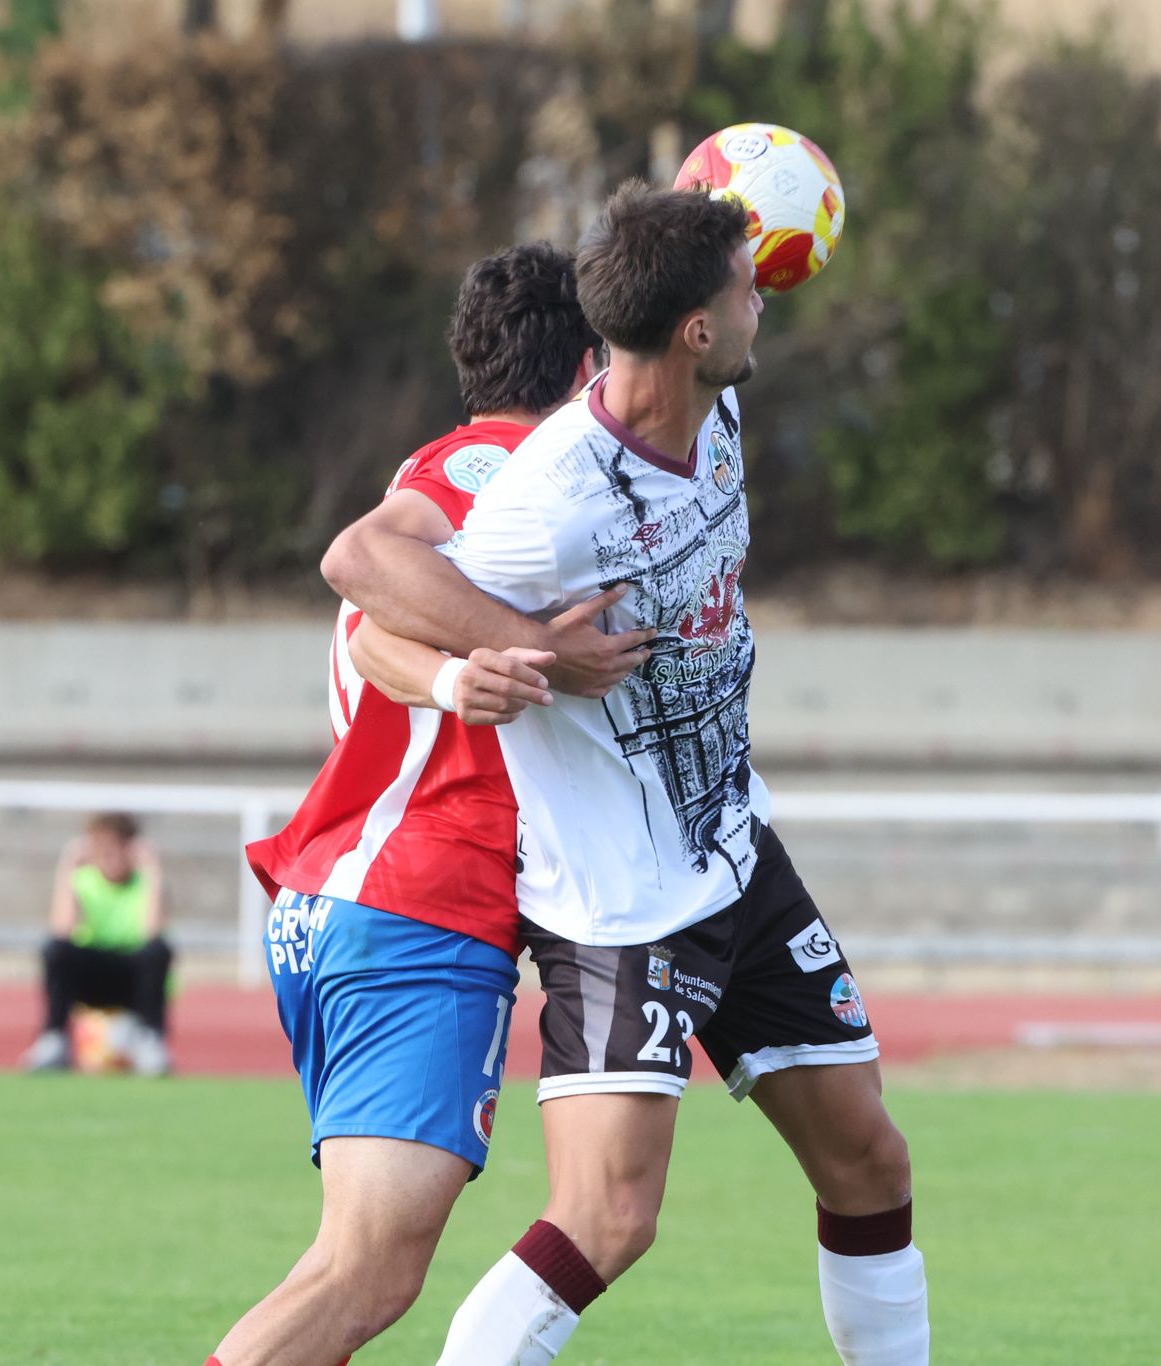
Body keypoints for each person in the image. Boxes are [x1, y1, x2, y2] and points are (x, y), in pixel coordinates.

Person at [327, 182, 930, 1365]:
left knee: (867, 1157)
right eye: (746, 291)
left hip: (734, 856)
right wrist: (507, 657)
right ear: (696, 330)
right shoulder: (547, 502)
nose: (766, 304)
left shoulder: (717, 410)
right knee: (607, 1218)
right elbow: (359, 581)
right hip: (619, 908)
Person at [206, 241, 648, 1366]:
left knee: (346, 1266)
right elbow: (358, 571)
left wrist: (461, 670)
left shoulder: (435, 464)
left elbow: (376, 625)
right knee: (367, 1272)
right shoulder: (511, 473)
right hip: (417, 905)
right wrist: (514, 653)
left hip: (352, 900)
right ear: (592, 358)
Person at [22, 811, 176, 1076]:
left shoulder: (145, 883)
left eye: (116, 848)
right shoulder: (84, 881)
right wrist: (67, 868)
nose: (109, 856)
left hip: (133, 977)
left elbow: (153, 933)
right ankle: (54, 1039)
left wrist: (153, 871)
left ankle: (151, 1039)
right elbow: (61, 931)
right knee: (56, 950)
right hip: (92, 974)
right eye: (101, 849)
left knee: (158, 951)